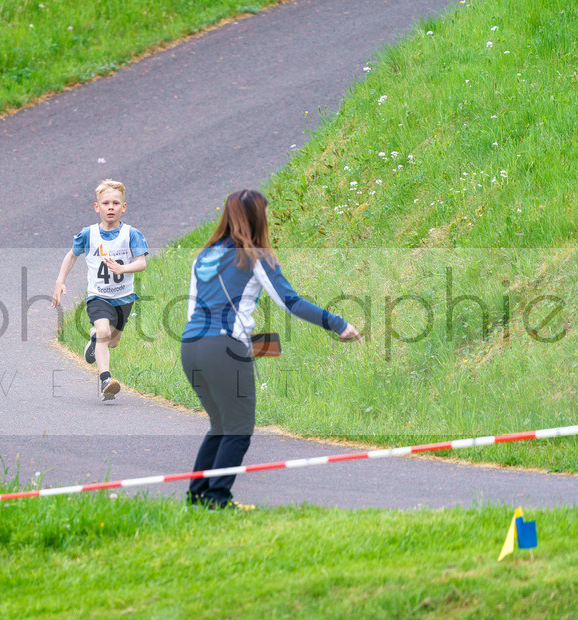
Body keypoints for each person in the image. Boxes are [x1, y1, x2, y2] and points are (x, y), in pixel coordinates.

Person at [181, 189, 362, 509]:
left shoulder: (203, 256)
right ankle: (217, 499)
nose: (267, 218)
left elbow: (194, 310)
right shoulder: (254, 256)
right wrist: (337, 323)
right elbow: (290, 302)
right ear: (254, 217)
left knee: (221, 424)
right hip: (222, 347)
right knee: (238, 427)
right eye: (264, 213)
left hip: (190, 346)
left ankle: (198, 496)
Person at [51, 179, 149, 401]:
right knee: (105, 332)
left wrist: (122, 268)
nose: (111, 207)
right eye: (106, 203)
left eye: (116, 203)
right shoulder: (89, 234)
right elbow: (72, 255)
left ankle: (95, 339)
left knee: (112, 341)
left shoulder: (132, 234)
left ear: (124, 207)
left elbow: (141, 263)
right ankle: (106, 380)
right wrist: (60, 281)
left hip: (124, 297)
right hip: (99, 296)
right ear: (97, 207)